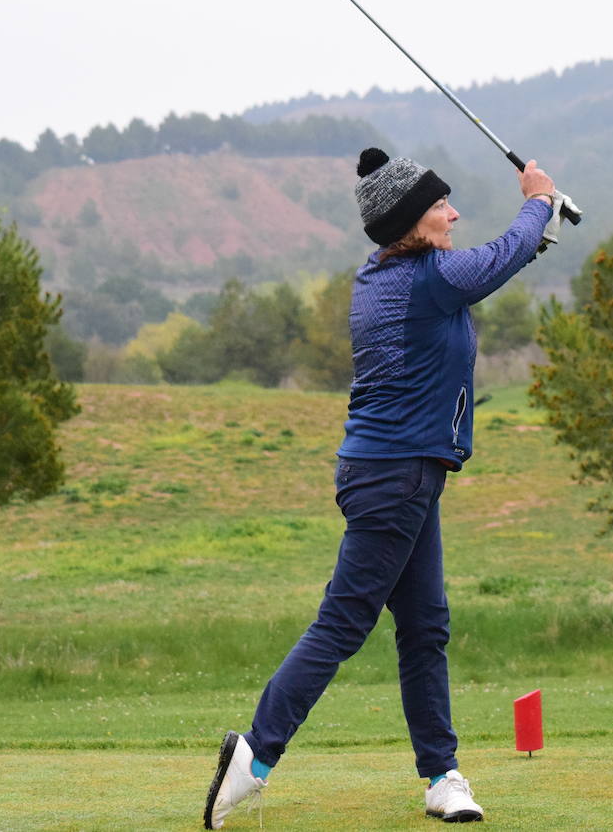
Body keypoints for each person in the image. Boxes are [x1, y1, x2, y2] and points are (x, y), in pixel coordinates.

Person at [203, 146, 558, 829]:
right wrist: (538, 200)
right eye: (439, 207)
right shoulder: (426, 280)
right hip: (394, 478)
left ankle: (442, 776)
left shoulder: (393, 275)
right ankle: (253, 756)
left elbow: (495, 263)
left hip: (401, 475)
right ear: (408, 224)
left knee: (425, 628)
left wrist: (539, 229)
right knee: (343, 623)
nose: (453, 214)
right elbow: (494, 260)